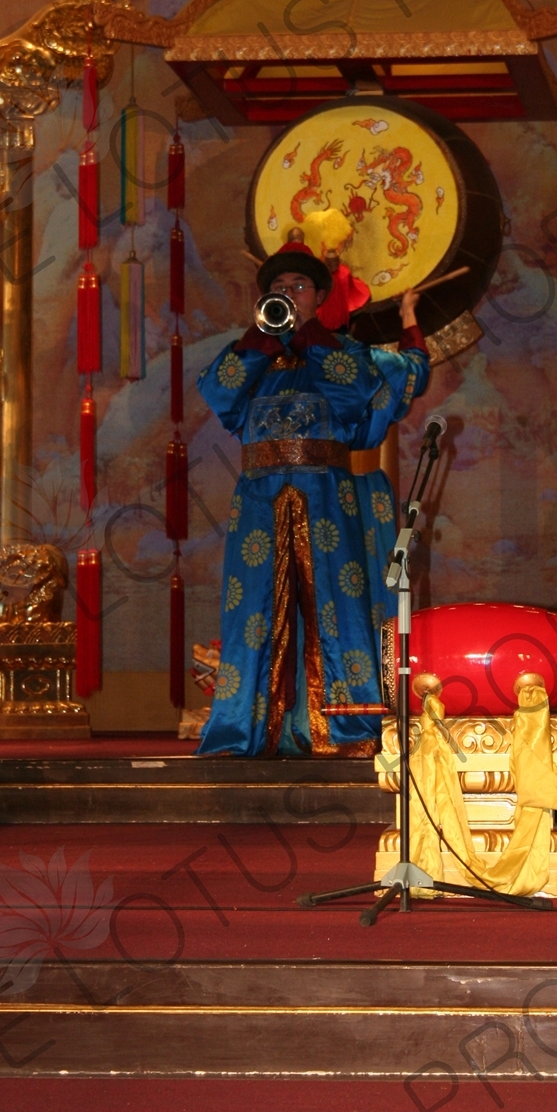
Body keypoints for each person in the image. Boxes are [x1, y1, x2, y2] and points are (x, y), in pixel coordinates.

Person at [196, 243, 430, 756]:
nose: (286, 295)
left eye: (297, 288)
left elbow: (358, 390)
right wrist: (262, 338)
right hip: (258, 497)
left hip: (327, 494)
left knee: (335, 604)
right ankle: (246, 730)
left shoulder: (343, 354)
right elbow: (218, 390)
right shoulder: (255, 357)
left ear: (320, 297)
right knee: (252, 608)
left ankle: (343, 726)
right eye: (277, 290)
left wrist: (311, 336)